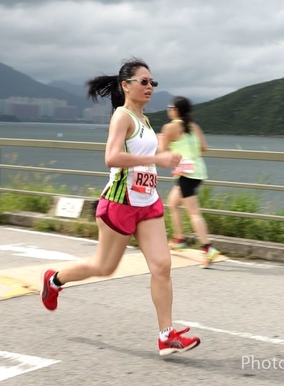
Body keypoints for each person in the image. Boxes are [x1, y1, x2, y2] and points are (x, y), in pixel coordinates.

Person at [40, 58, 201, 356]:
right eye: (144, 81)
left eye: (153, 82)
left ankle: (166, 335)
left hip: (148, 201)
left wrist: (171, 158)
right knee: (104, 267)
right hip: (121, 201)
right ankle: (54, 280)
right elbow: (112, 158)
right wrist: (156, 159)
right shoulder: (122, 117)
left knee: (162, 266)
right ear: (126, 85)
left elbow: (147, 156)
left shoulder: (145, 120)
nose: (150, 86)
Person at [158, 96, 220, 267]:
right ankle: (179, 239)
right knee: (173, 203)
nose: (168, 110)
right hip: (198, 171)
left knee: (194, 213)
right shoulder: (194, 126)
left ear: (175, 110)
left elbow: (162, 153)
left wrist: (161, 140)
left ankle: (208, 248)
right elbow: (204, 148)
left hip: (186, 174)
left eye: (169, 108)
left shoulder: (169, 128)